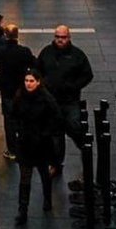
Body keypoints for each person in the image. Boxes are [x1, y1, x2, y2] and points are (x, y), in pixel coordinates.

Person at [36, 26, 93, 170]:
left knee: (74, 126)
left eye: (63, 37)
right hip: (51, 101)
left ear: (69, 37)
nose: (60, 40)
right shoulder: (46, 53)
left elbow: (87, 74)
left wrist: (73, 86)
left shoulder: (77, 55)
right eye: (57, 37)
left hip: (70, 100)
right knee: (55, 134)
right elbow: (38, 71)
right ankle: (56, 163)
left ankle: (85, 149)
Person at [12, 70, 64, 224]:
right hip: (25, 143)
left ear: (38, 82)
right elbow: (13, 116)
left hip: (41, 144)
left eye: (31, 81)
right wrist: (17, 131)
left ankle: (47, 200)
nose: (28, 83)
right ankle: (23, 209)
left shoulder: (46, 99)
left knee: (44, 174)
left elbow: (57, 118)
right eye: (26, 80)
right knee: (25, 178)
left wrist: (45, 133)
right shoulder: (20, 97)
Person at [0, 22, 36, 161]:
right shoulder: (24, 51)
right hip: (21, 91)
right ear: (17, 36)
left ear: (6, 36)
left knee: (9, 120)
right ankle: (23, 146)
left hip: (6, 91)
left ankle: (12, 150)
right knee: (22, 119)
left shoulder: (0, 51)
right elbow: (34, 63)